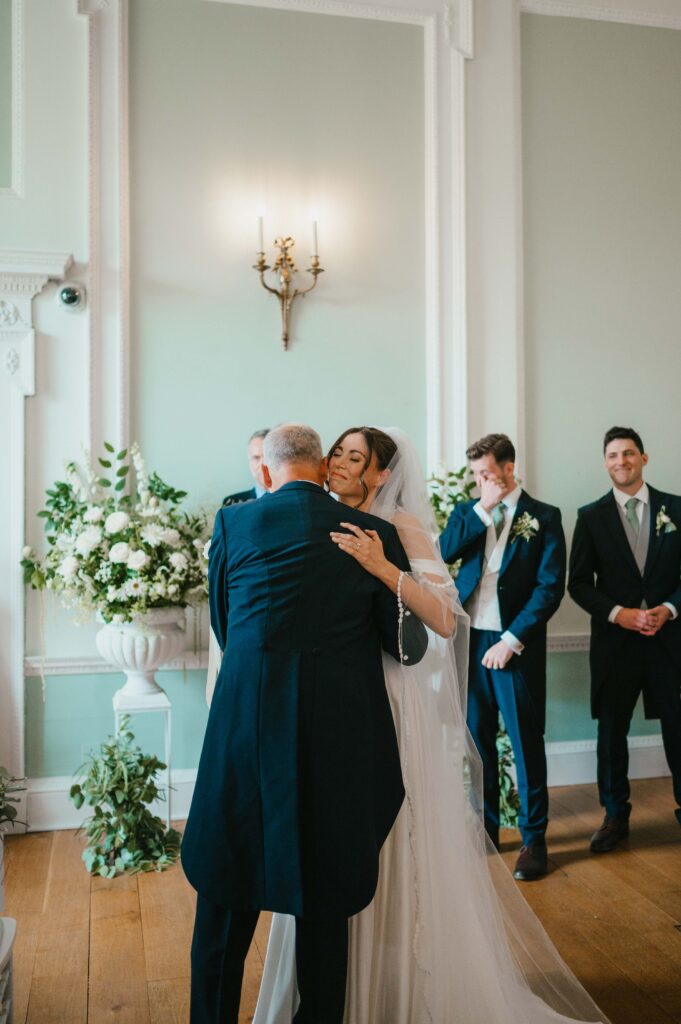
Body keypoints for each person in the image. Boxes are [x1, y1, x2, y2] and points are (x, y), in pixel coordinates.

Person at [253, 426, 608, 1024]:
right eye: (336, 453)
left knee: (390, 838)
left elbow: (446, 619)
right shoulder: (315, 518)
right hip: (330, 703)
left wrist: (379, 565)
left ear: (380, 475)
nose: (338, 463)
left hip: (390, 699)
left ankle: (394, 989)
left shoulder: (402, 530)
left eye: (353, 457)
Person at [181, 423, 428, 1024]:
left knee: (225, 892)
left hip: (245, 730)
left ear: (266, 472)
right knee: (325, 896)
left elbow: (222, 621)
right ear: (321, 467)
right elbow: (402, 647)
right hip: (337, 739)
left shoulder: (235, 523)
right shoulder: (372, 533)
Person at [438, 433, 566, 880]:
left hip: (514, 645)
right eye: (475, 475)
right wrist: (482, 507)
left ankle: (534, 840)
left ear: (509, 469)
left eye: (487, 473)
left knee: (525, 744)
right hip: (470, 642)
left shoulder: (545, 517)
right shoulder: (467, 512)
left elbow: (550, 587)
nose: (480, 481)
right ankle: (485, 830)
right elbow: (442, 553)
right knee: (477, 742)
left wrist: (511, 640)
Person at [568, 426, 681, 852]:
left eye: (629, 454)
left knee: (678, 724)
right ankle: (615, 813)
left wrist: (668, 610)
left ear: (644, 458)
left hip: (670, 643)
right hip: (616, 644)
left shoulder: (676, 508)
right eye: (613, 456)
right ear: (605, 463)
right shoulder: (591, 516)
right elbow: (578, 584)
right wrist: (620, 614)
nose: (622, 462)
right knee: (612, 730)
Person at [222, 427, 270, 505]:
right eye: (256, 458)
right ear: (249, 461)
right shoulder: (232, 503)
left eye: (268, 457)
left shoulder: (293, 499)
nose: (263, 464)